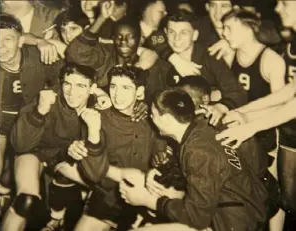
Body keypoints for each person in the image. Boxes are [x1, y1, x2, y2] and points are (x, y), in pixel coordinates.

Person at [119, 88, 268, 231]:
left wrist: (149, 201)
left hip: (232, 222)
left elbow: (197, 217)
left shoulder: (197, 153)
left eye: (153, 115)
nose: (151, 118)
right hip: (250, 204)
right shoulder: (204, 124)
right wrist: (161, 170)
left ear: (167, 120)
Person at [1, 63, 110, 231]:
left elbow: (97, 168)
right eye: (68, 84)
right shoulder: (47, 98)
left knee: (105, 191)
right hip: (36, 152)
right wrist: (40, 111)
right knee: (26, 201)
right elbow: (20, 145)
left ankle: (58, 216)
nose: (72, 93)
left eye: (80, 86)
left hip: (66, 159)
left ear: (92, 88)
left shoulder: (100, 108)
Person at [216, 0, 296, 219]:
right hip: (264, 127)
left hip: (271, 130)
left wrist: (249, 121)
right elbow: (291, 91)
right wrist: (241, 112)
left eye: (285, 3)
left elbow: (288, 104)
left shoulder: (271, 58)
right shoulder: (229, 53)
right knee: (284, 198)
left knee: (278, 194)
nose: (278, 8)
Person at [70, 64, 167, 231]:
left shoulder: (151, 118)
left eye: (125, 88)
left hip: (145, 196)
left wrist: (159, 154)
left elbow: (160, 143)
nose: (117, 94)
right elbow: (93, 173)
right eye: (113, 87)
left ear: (140, 92)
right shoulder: (96, 119)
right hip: (108, 197)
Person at [0, 13, 63, 215]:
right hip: (3, 126)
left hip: (37, 126)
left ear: (21, 41)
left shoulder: (40, 57)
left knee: (25, 196)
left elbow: (67, 80)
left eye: (7, 39)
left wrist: (42, 42)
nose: (0, 46)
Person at [149, 10, 248, 123]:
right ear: (166, 32)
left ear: (195, 35)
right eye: (172, 32)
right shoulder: (163, 59)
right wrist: (175, 60)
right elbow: (152, 95)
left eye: (184, 33)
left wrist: (220, 107)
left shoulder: (209, 56)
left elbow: (238, 92)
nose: (177, 38)